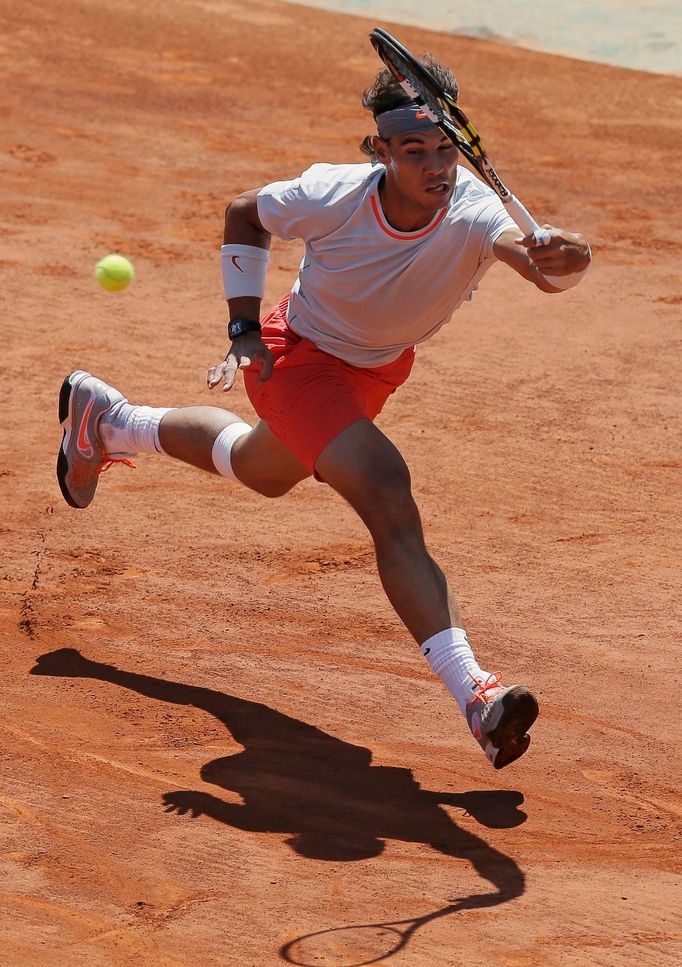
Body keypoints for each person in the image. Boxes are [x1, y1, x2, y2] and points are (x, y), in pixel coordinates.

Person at [57, 55, 591, 770]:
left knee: (259, 467)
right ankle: (479, 695)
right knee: (386, 489)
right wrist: (243, 327)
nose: (435, 167)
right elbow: (246, 212)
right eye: (414, 152)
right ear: (379, 151)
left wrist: (566, 255)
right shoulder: (334, 194)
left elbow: (543, 270)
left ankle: (110, 419)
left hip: (373, 373)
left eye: (444, 151)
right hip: (294, 357)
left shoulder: (475, 212)